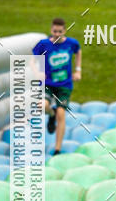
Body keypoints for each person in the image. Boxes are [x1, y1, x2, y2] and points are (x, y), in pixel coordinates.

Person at [32, 18, 81, 155]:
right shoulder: (44, 44)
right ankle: (51, 115)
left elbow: (78, 52)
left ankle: (57, 148)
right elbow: (32, 59)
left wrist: (78, 70)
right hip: (48, 84)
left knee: (61, 114)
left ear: (64, 31)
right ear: (51, 30)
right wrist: (37, 72)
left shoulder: (71, 43)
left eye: (60, 31)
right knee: (41, 105)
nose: (57, 34)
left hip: (64, 85)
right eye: (55, 31)